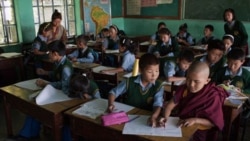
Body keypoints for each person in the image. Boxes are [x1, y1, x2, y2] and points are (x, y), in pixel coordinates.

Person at [7, 40, 73, 141]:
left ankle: (28, 134)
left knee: (38, 106)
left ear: (55, 54)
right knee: (34, 105)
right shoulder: (58, 62)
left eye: (49, 53)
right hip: (55, 92)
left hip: (64, 95)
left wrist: (47, 84)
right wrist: (46, 72)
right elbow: (56, 74)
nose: (48, 55)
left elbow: (65, 85)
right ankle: (29, 134)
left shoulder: (66, 67)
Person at [158, 61, 228, 141]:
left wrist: (195, 120)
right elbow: (169, 107)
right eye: (188, 79)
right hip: (182, 124)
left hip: (200, 128)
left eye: (196, 81)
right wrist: (165, 118)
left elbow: (213, 122)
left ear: (207, 81)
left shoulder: (212, 95)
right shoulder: (184, 89)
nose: (191, 84)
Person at [107, 53, 164, 127]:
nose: (154, 75)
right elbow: (113, 92)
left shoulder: (158, 86)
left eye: (157, 71)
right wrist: (110, 104)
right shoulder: (130, 81)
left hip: (145, 119)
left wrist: (154, 117)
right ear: (140, 70)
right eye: (150, 72)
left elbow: (158, 104)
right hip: (128, 117)